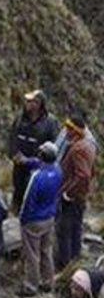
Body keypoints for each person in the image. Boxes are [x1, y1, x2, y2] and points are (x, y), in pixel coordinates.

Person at [18, 141, 63, 297]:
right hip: (49, 217)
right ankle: (48, 282)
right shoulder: (58, 171)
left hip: (33, 220)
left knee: (32, 254)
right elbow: (41, 163)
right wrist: (27, 161)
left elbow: (28, 199)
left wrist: (22, 219)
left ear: (41, 156)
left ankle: (31, 286)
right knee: (46, 251)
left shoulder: (37, 177)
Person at [9, 89, 60, 213]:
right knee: (17, 191)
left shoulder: (50, 122)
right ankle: (15, 215)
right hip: (19, 163)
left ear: (39, 104)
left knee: (32, 194)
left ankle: (29, 217)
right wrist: (13, 154)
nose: (28, 104)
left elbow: (53, 146)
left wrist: (38, 160)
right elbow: (12, 137)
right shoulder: (20, 118)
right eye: (27, 101)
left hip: (37, 167)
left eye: (32, 102)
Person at [58, 112, 98, 269]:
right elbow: (91, 172)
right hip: (80, 197)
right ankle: (75, 261)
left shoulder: (78, 149)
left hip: (72, 198)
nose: (67, 131)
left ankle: (65, 266)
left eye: (70, 128)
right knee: (76, 229)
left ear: (77, 131)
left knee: (65, 231)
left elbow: (83, 176)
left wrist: (67, 192)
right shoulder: (88, 146)